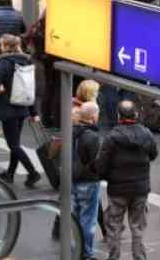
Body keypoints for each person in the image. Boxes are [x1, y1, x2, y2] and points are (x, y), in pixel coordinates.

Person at [93, 100, 158, 260]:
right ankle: (139, 257)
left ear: (118, 116)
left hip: (117, 189)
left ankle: (114, 257)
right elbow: (153, 155)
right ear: (136, 114)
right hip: (140, 189)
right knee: (138, 227)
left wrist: (105, 176)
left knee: (114, 226)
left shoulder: (112, 137)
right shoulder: (146, 134)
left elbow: (102, 163)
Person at [0, 34, 41, 187]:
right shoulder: (26, 61)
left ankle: (32, 172)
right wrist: (34, 112)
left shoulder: (5, 62)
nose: (0, 47)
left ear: (6, 47)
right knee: (15, 143)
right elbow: (30, 88)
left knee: (13, 145)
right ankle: (10, 173)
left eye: (1, 45)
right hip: (22, 108)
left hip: (9, 109)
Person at [69, 102, 102, 260]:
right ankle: (86, 254)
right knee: (88, 220)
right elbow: (95, 162)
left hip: (72, 179)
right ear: (93, 116)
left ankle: (75, 249)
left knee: (75, 217)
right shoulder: (92, 137)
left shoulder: (71, 131)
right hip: (88, 181)